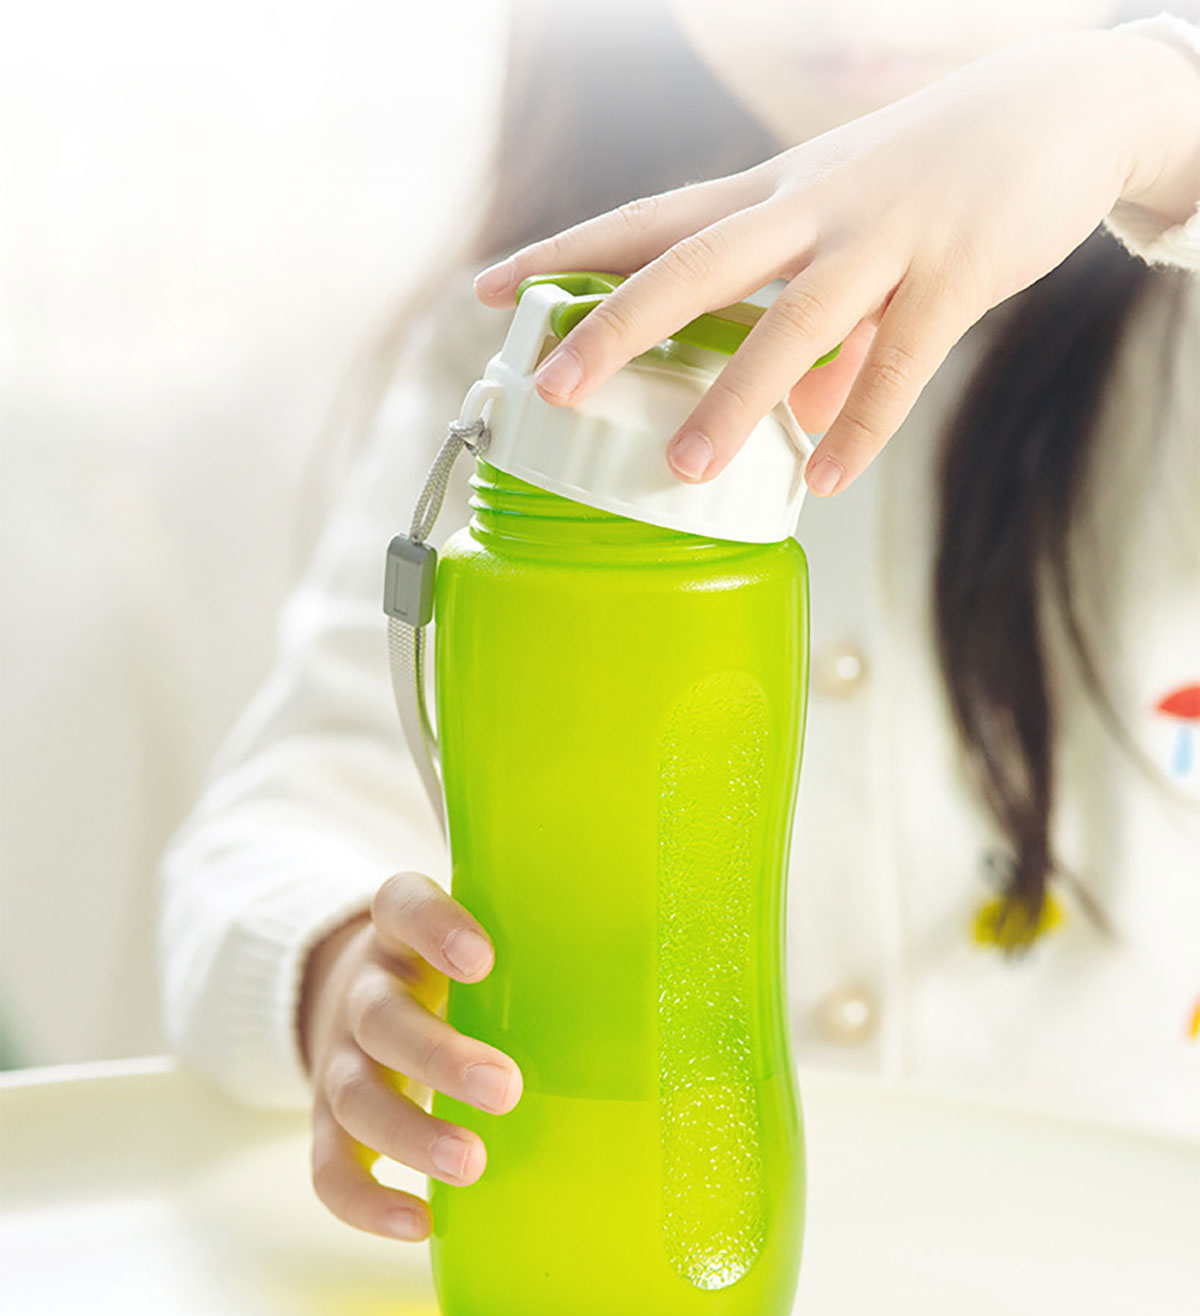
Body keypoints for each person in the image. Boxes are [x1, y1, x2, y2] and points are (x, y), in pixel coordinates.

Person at [160, 1, 1200, 1246]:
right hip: (653, 1277)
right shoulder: (540, 351)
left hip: (1137, 1289)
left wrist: (1143, 98)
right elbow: (280, 820)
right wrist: (337, 964)